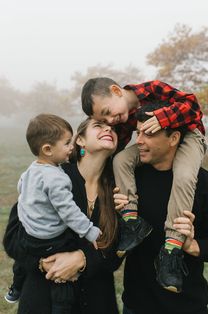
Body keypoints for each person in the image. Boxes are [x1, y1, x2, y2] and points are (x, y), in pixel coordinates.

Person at [81, 77, 207, 292]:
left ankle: (171, 248)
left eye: (107, 111)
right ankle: (132, 223)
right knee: (122, 161)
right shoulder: (121, 122)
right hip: (154, 144)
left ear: (116, 90)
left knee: (184, 176)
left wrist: (164, 118)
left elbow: (193, 107)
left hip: (189, 136)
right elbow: (113, 153)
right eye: (104, 119)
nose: (111, 120)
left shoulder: (151, 89)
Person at [114, 103, 208, 314]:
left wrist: (192, 245)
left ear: (174, 138)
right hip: (136, 305)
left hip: (187, 306)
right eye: (138, 132)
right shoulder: (130, 181)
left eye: (149, 134)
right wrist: (117, 217)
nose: (139, 141)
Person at [3, 117, 122, 314]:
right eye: (98, 125)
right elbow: (12, 239)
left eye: (112, 128)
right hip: (43, 298)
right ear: (80, 140)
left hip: (97, 301)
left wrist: (84, 259)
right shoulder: (51, 176)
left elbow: (120, 247)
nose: (108, 129)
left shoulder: (120, 187)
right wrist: (41, 263)